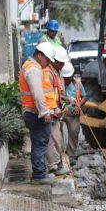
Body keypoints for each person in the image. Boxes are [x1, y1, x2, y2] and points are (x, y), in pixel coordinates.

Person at [19, 43, 58, 184]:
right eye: (47, 60)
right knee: (40, 144)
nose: (48, 64)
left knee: (39, 142)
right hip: (35, 112)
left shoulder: (30, 66)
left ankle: (40, 172)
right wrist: (44, 112)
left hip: (31, 111)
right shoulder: (33, 69)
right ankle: (40, 175)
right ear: (39, 55)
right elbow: (37, 93)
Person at [45, 45, 69, 175]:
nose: (63, 65)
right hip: (51, 112)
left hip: (57, 111)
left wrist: (70, 100)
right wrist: (54, 109)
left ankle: (57, 164)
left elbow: (61, 93)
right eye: (61, 63)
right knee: (52, 139)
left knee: (58, 139)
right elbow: (47, 95)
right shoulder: (48, 73)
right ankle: (53, 166)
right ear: (55, 61)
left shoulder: (58, 73)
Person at [60, 61, 87, 163]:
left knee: (74, 132)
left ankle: (70, 155)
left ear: (72, 75)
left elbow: (85, 96)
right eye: (64, 78)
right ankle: (59, 155)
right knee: (57, 133)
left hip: (73, 114)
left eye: (68, 78)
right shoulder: (58, 82)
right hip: (61, 112)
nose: (66, 80)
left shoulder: (78, 84)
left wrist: (79, 105)